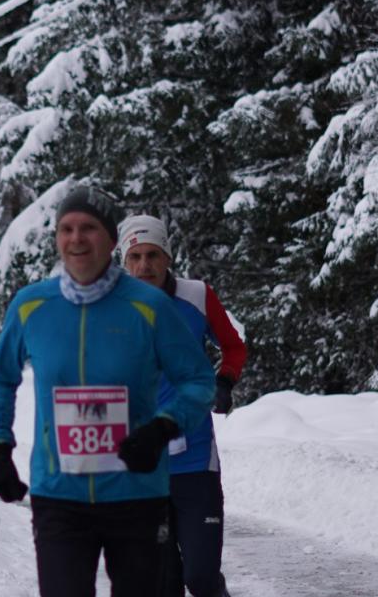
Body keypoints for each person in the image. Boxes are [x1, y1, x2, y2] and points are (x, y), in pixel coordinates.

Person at [0, 185, 216, 597]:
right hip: (59, 495)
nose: (76, 238)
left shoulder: (149, 306)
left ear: (111, 240)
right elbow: (0, 377)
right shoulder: (31, 306)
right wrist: (0, 448)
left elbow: (197, 380)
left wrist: (162, 428)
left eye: (88, 228)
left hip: (136, 492)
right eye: (66, 229)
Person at [118, 214, 247, 597]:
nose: (144, 265)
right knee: (164, 583)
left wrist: (224, 382)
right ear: (124, 262)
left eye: (153, 255)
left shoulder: (197, 296)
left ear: (168, 257)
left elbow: (233, 346)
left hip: (195, 463)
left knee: (201, 578)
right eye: (135, 256)